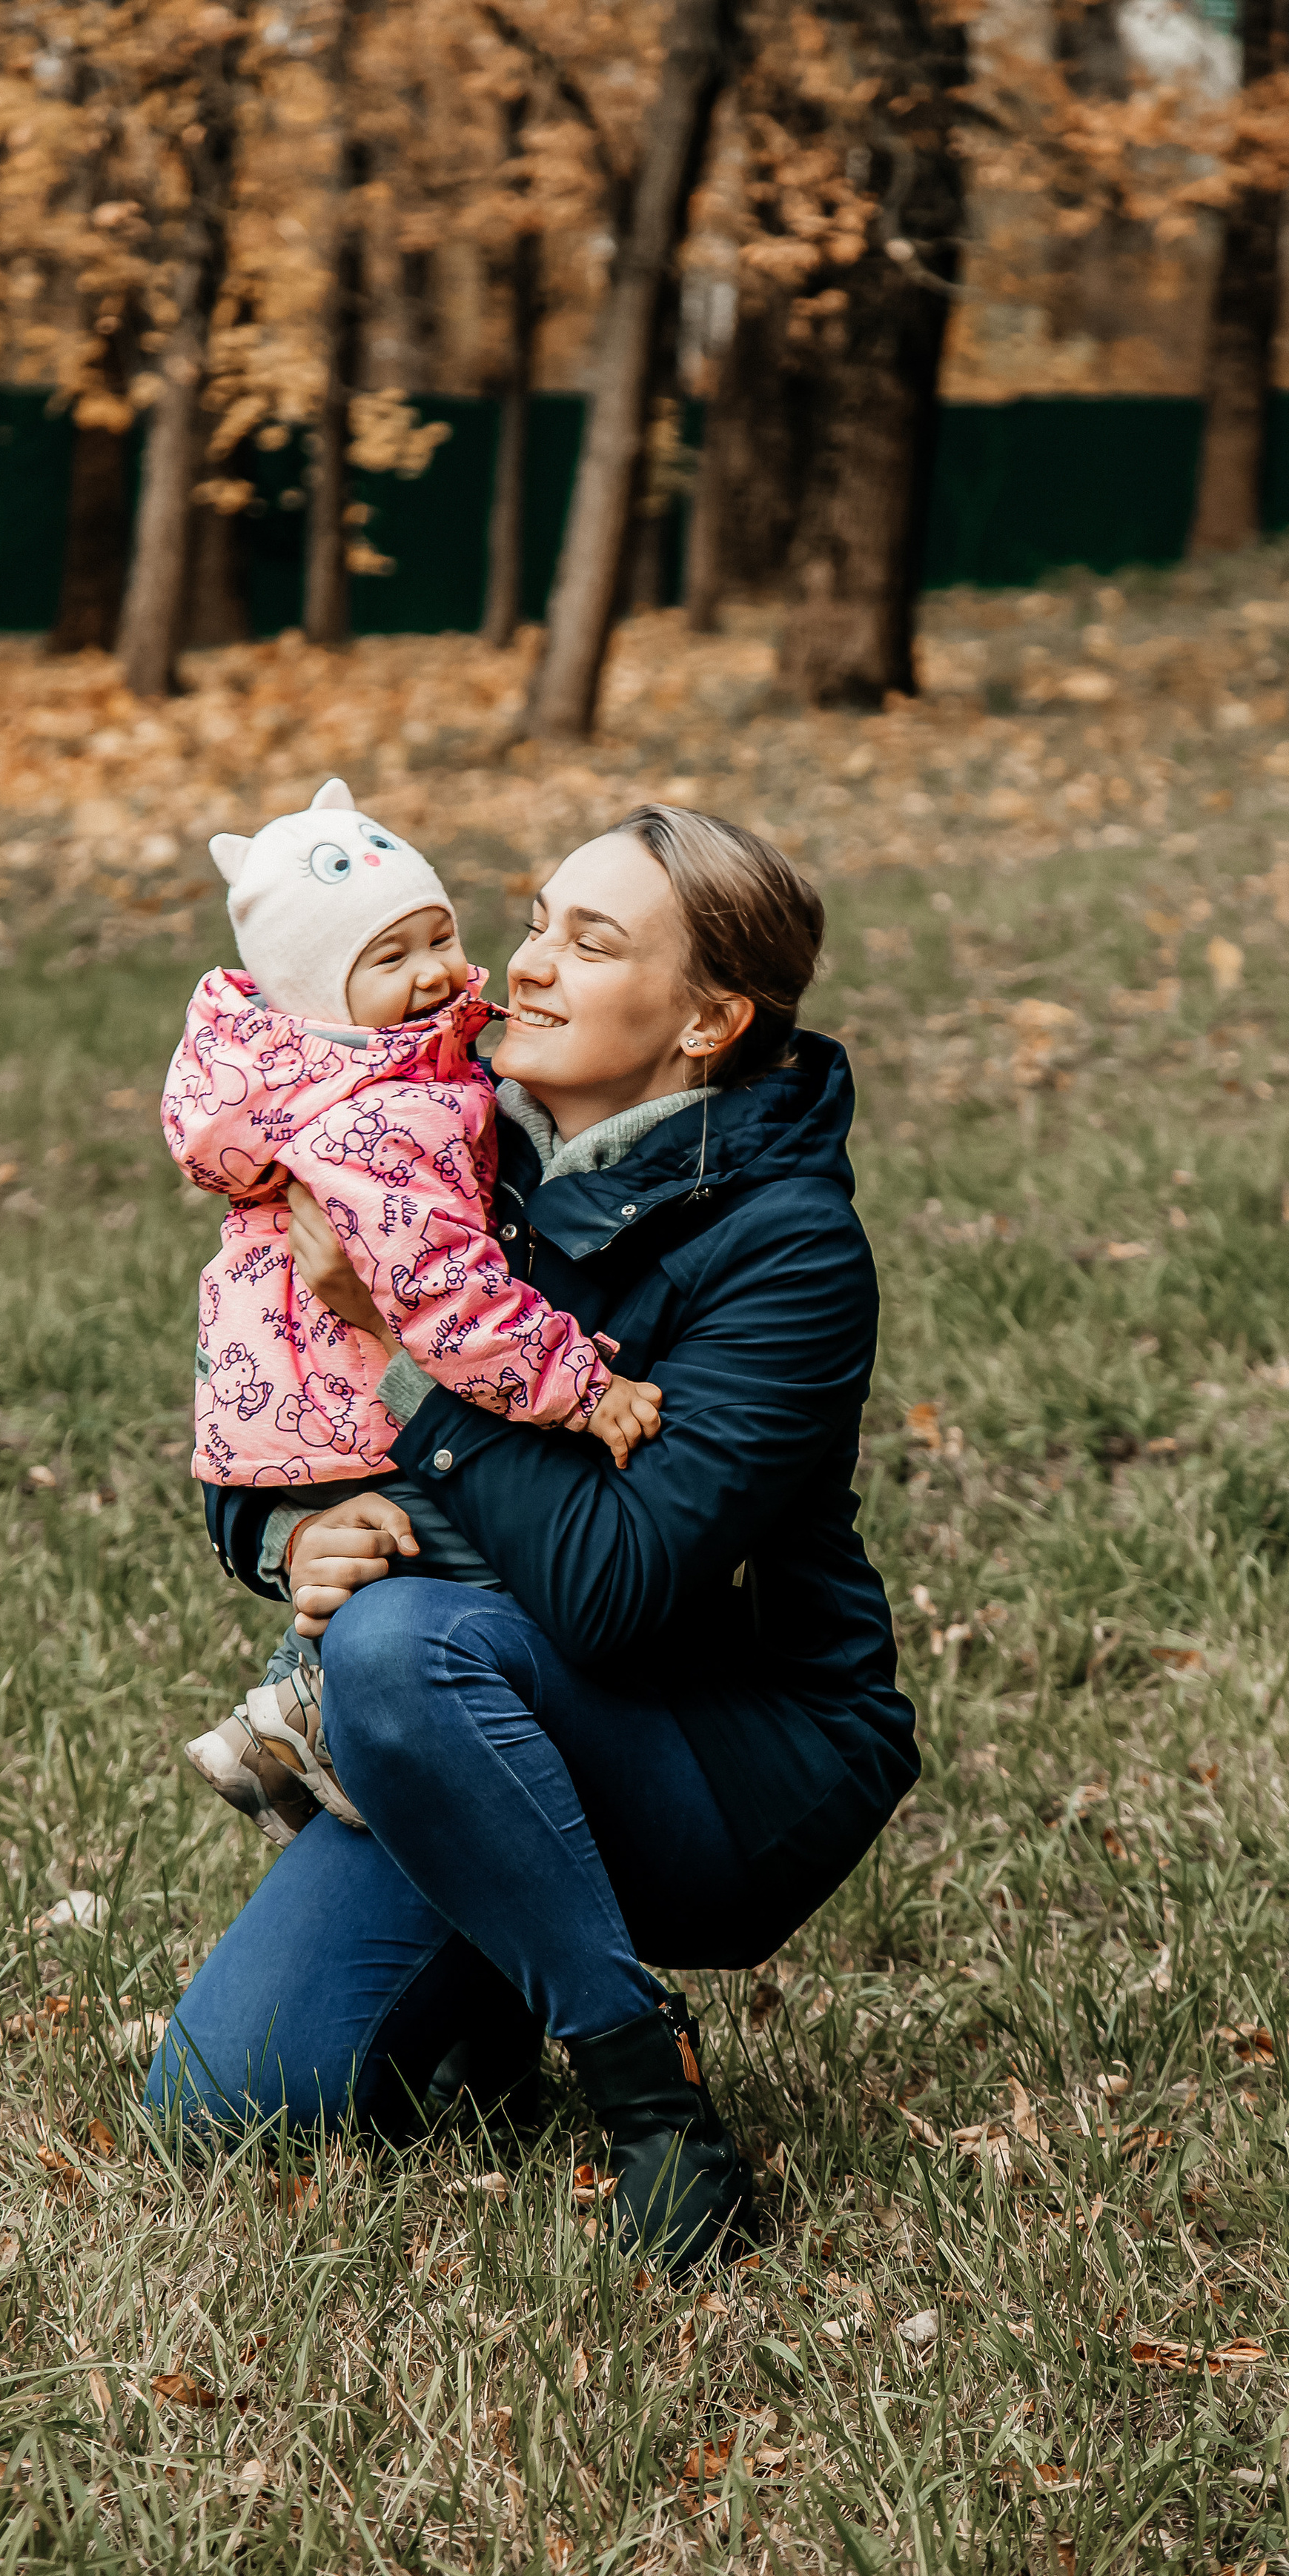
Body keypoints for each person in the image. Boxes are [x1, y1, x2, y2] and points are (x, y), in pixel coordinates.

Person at [148, 803, 919, 2275]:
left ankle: (647, 2091)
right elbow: (259, 1376)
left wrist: (403, 1354)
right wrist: (285, 1536)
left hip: (729, 1756)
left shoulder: (787, 1247)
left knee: (397, 1643)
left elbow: (614, 1592)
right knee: (221, 2108)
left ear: (709, 1020)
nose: (527, 964)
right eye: (537, 919)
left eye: (592, 939)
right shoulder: (431, 1144)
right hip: (461, 1708)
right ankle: (499, 1968)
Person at [164, 779, 664, 1848]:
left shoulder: (334, 1075)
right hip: (344, 1390)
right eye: (389, 960)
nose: (439, 970)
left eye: (439, 934)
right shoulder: (387, 1117)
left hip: (289, 1397)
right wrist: (582, 1386)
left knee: (405, 1546)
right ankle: (304, 1714)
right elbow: (447, 1294)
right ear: (318, 995)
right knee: (451, 1555)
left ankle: (295, 1717)